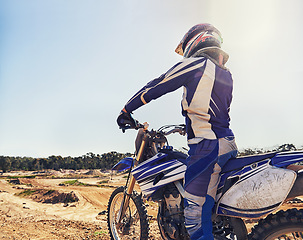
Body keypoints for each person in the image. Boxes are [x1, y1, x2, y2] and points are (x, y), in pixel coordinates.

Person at [117, 23, 238, 240]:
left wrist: (127, 109)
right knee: (206, 205)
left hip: (207, 147)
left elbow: (157, 85)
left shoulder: (195, 65)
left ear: (195, 41)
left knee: (194, 217)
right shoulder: (225, 74)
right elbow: (212, 111)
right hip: (226, 144)